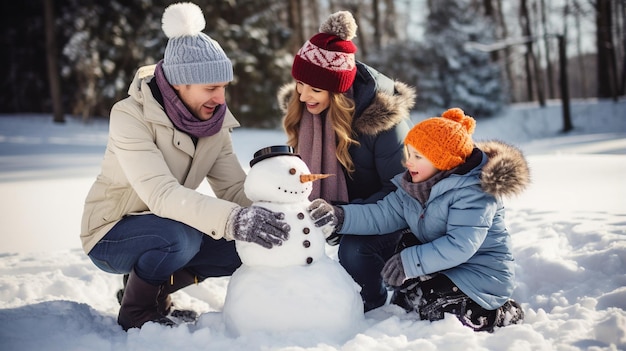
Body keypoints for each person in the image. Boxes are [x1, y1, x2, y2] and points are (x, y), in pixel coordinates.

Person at [80, 2, 291, 331]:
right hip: (110, 233)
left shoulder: (214, 124)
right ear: (180, 83)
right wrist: (234, 219)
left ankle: (151, 291)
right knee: (182, 237)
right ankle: (137, 311)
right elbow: (162, 195)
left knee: (244, 246)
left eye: (223, 88)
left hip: (166, 225)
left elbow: (233, 188)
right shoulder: (129, 116)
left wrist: (284, 215)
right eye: (211, 89)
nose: (220, 99)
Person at [311, 108, 529, 332]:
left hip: (480, 276)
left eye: (418, 157)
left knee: (441, 313)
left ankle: (500, 314)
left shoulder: (473, 193)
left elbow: (461, 245)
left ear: (442, 161)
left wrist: (409, 261)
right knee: (415, 291)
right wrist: (340, 216)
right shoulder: (414, 188)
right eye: (409, 153)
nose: (408, 163)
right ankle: (424, 294)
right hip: (447, 267)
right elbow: (380, 214)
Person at [278, 10, 416, 312]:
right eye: (300, 84)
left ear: (339, 92)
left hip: (399, 218)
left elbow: (404, 192)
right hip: (343, 212)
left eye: (314, 89)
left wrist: (345, 215)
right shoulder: (306, 113)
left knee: (354, 249)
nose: (302, 97)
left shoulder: (382, 123)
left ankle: (370, 305)